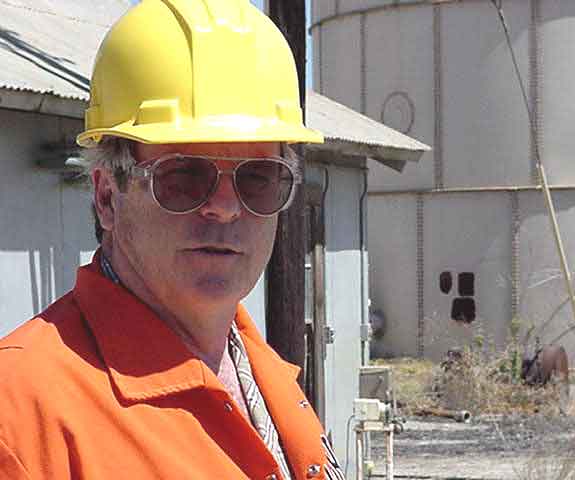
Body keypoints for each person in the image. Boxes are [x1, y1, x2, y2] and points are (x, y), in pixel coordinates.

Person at [0, 1, 344, 479]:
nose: (225, 207)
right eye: (183, 175)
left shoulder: (269, 380)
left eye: (259, 179)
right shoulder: (20, 415)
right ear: (107, 195)